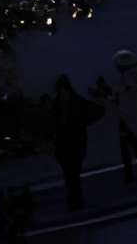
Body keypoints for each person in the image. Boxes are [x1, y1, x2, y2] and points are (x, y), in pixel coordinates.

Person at [46, 73, 104, 211]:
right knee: (72, 176)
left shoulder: (59, 104)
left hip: (70, 145)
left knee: (71, 176)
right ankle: (75, 201)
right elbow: (96, 111)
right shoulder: (75, 102)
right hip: (72, 145)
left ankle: (74, 202)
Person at [111, 48, 137, 183]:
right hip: (128, 114)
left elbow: (128, 89)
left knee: (128, 145)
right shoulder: (135, 73)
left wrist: (115, 91)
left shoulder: (130, 76)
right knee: (131, 144)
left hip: (126, 115)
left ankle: (133, 173)